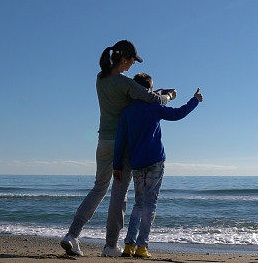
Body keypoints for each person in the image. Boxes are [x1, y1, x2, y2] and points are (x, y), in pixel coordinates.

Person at [61, 40, 176, 257]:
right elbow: (153, 100)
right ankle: (111, 245)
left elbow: (131, 98)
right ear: (124, 59)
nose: (133, 64)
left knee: (98, 189)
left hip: (102, 141)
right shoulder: (124, 82)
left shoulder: (100, 78)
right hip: (121, 145)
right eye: (133, 60)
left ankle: (72, 235)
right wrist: (169, 96)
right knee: (119, 195)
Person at [112, 73, 203, 258]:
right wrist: (195, 100)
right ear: (149, 89)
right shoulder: (154, 107)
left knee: (138, 204)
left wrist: (117, 165)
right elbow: (178, 113)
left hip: (136, 164)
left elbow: (119, 141)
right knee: (150, 205)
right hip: (155, 161)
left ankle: (129, 245)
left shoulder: (127, 112)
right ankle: (142, 247)